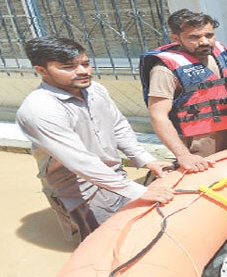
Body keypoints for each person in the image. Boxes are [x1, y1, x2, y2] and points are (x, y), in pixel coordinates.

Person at [16, 36, 175, 244]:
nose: (83, 71)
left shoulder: (95, 90)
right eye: (68, 67)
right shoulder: (40, 109)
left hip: (113, 175)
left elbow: (118, 126)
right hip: (83, 188)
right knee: (104, 244)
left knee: (137, 233)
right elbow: (81, 163)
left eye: (85, 63)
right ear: (42, 70)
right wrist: (140, 191)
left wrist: (146, 160)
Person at [140, 9, 227, 173]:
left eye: (209, 35)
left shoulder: (218, 52)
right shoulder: (164, 70)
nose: (204, 42)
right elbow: (158, 116)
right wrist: (183, 156)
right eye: (194, 37)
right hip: (200, 141)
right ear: (176, 38)